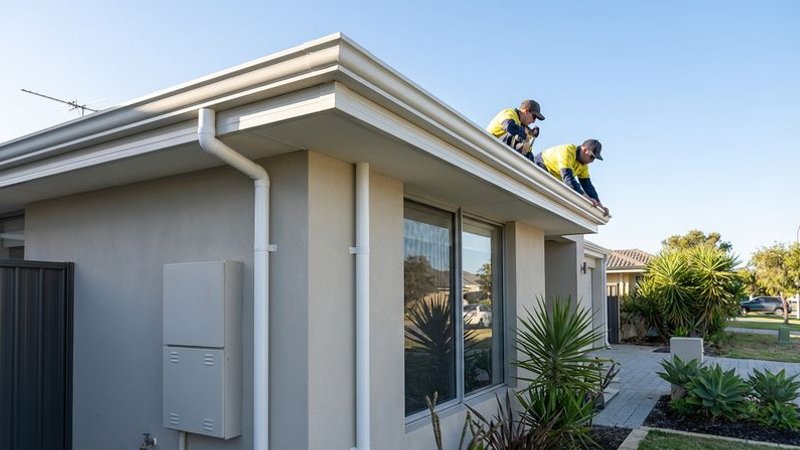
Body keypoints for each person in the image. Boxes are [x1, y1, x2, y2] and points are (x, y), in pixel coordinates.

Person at [534, 139, 610, 216]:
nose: (592, 161)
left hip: (554, 176)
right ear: (584, 150)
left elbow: (588, 186)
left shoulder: (584, 165)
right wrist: (587, 198)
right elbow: (568, 179)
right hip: (541, 165)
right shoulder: (567, 151)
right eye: (592, 157)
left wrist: (600, 205)